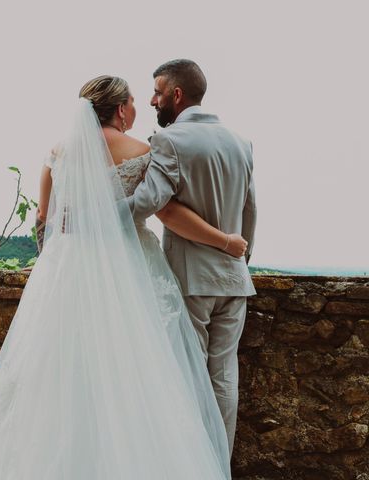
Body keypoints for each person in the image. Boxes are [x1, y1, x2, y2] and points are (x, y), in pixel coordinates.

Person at [0, 75, 240, 480]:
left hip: (67, 265)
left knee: (60, 369)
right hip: (128, 266)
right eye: (134, 101)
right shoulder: (142, 151)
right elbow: (166, 211)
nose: (137, 108)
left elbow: (44, 218)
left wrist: (54, 261)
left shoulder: (58, 153)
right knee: (134, 367)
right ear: (120, 109)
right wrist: (226, 241)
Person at [127, 59, 257, 454]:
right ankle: (219, 468)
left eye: (157, 92)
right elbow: (250, 211)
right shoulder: (240, 142)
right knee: (223, 377)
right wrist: (238, 260)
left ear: (176, 94)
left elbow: (151, 203)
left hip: (191, 278)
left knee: (187, 376)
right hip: (234, 279)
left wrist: (94, 212)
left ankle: (190, 464)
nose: (152, 100)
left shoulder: (170, 141)